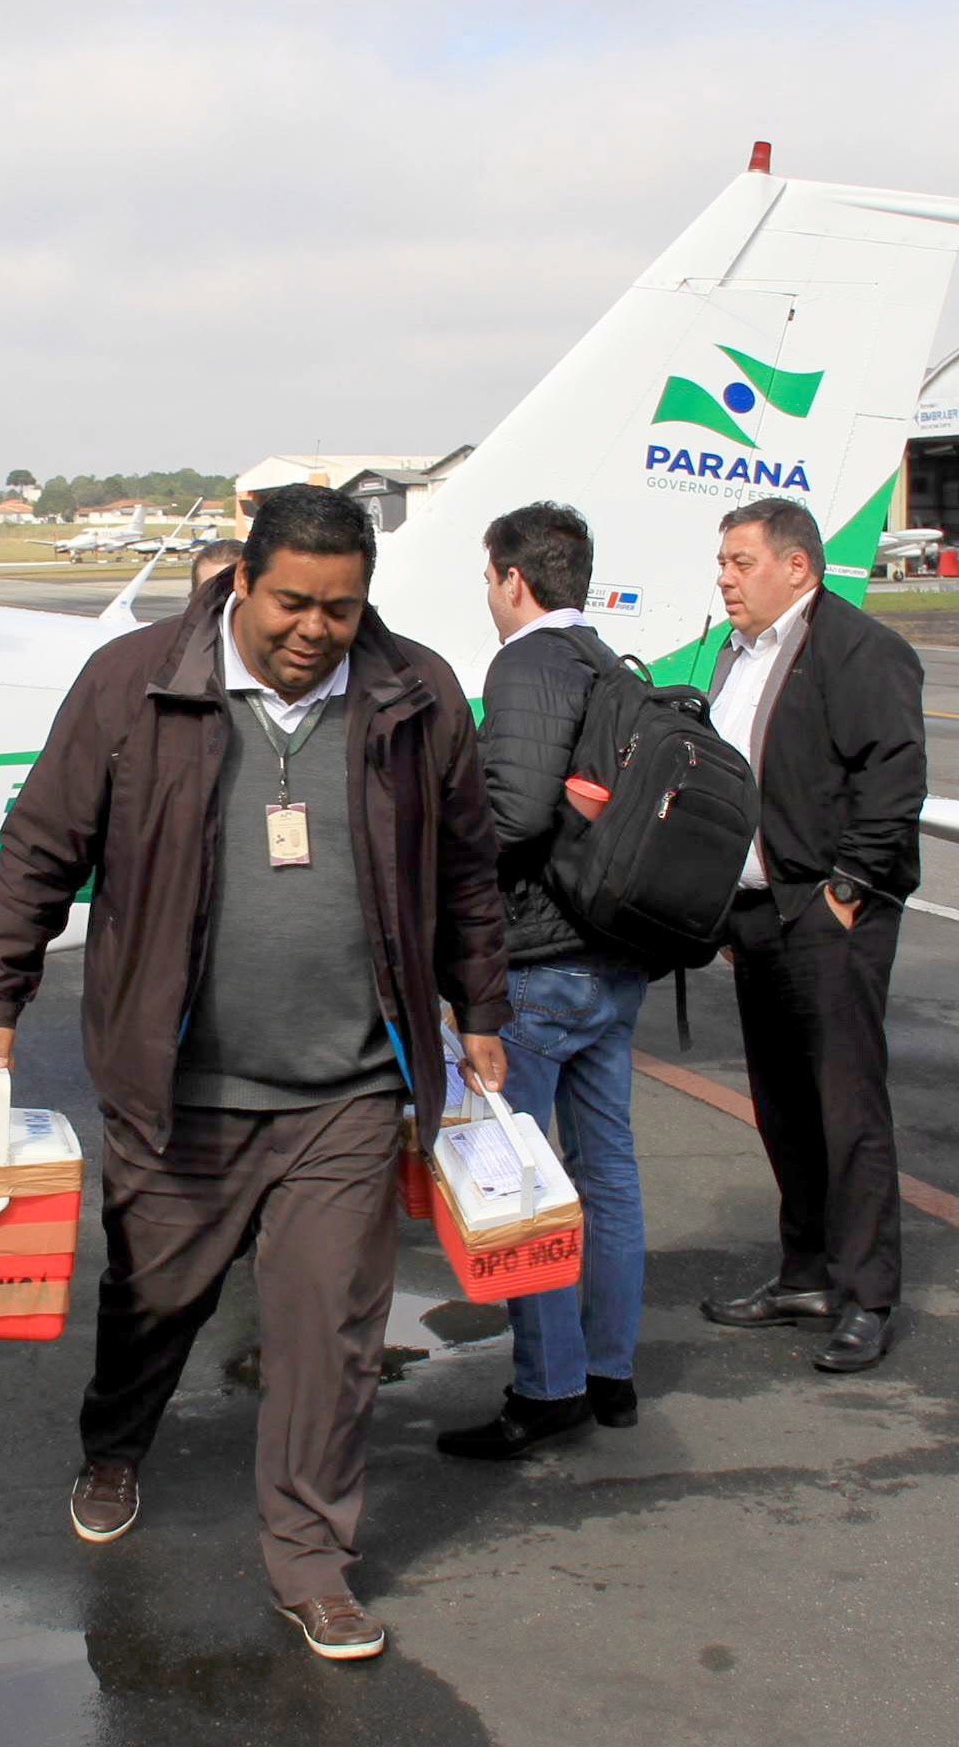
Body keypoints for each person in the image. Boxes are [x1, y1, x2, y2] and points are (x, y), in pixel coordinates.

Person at [0, 483, 511, 1662]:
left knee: (331, 1331)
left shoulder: (413, 693)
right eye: (291, 603)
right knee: (151, 1301)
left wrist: (480, 1007)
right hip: (179, 1085)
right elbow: (40, 846)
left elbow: (465, 867)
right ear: (241, 582)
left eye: (339, 608)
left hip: (348, 1088)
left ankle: (309, 1562)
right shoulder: (131, 682)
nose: (314, 629)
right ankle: (114, 1444)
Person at [436, 503, 651, 1462]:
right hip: (613, 953)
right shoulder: (608, 661)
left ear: (513, 579)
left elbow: (513, 813)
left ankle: (547, 1386)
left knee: (516, 1176)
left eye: (490, 578)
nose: (489, 595)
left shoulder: (525, 662)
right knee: (606, 1170)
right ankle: (609, 1370)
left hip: (537, 962)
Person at [694, 497, 926, 1373]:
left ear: (796, 567)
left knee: (846, 1108)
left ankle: (866, 1295)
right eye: (722, 562)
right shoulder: (736, 652)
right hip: (755, 914)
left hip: (827, 914)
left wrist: (846, 889)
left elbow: (893, 777)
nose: (724, 577)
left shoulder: (860, 649)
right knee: (782, 1106)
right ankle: (805, 1274)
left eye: (740, 561)